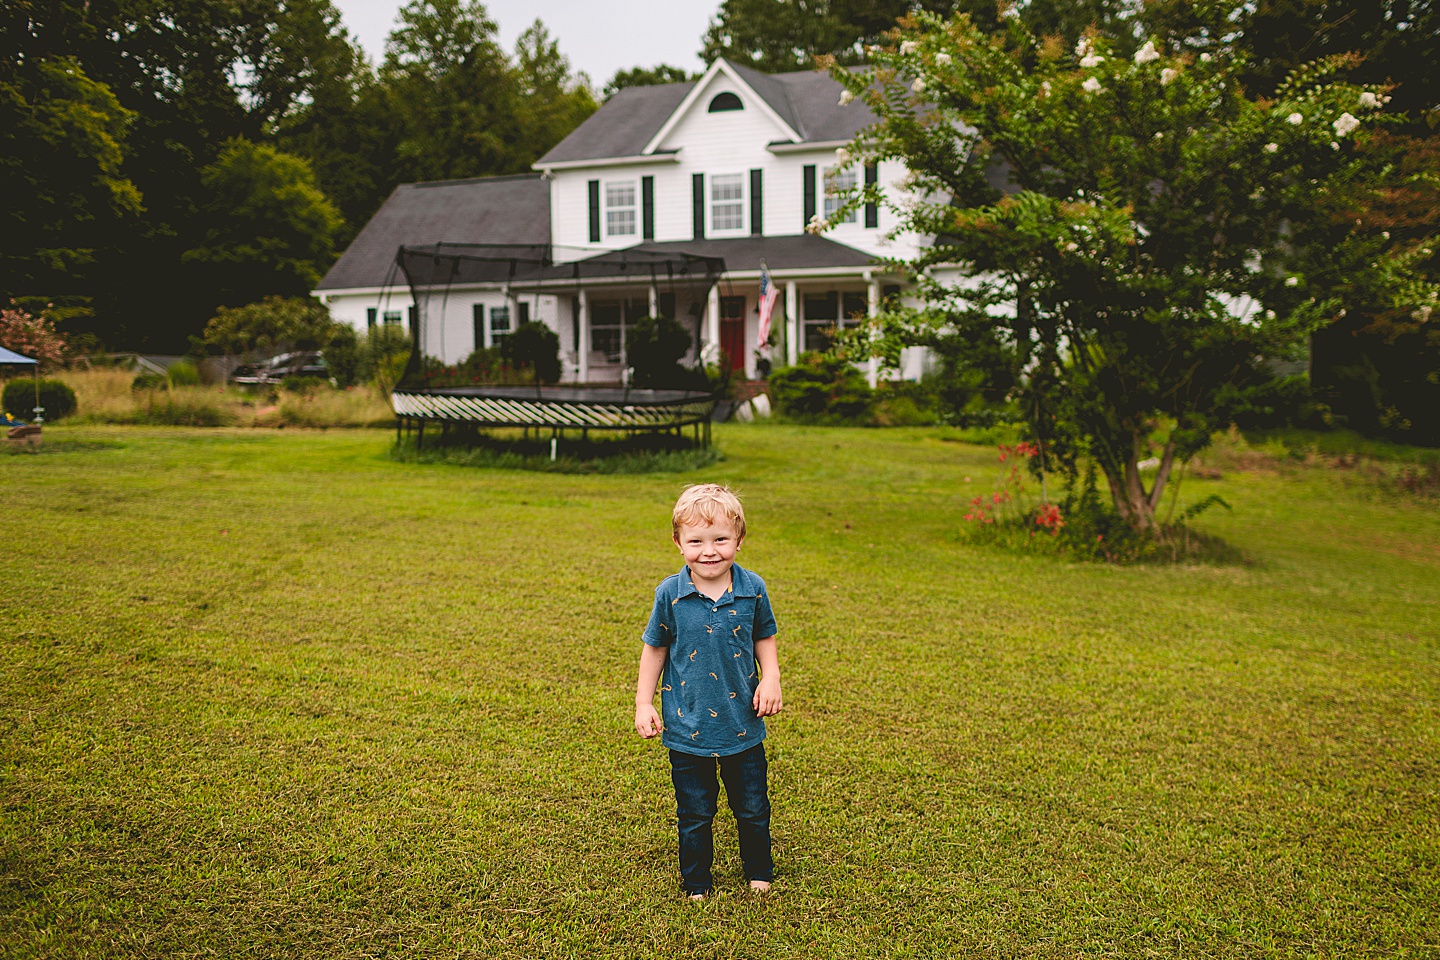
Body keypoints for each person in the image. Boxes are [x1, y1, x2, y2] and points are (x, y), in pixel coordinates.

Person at [634, 483, 783, 899]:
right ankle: (697, 882)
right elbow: (655, 648)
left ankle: (759, 871)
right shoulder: (670, 593)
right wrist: (644, 701)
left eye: (721, 539)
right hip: (687, 726)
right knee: (695, 812)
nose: (710, 550)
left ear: (739, 539)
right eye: (696, 540)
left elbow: (764, 636)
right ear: (678, 543)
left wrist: (770, 677)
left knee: (752, 808)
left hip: (743, 726)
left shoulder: (753, 588)